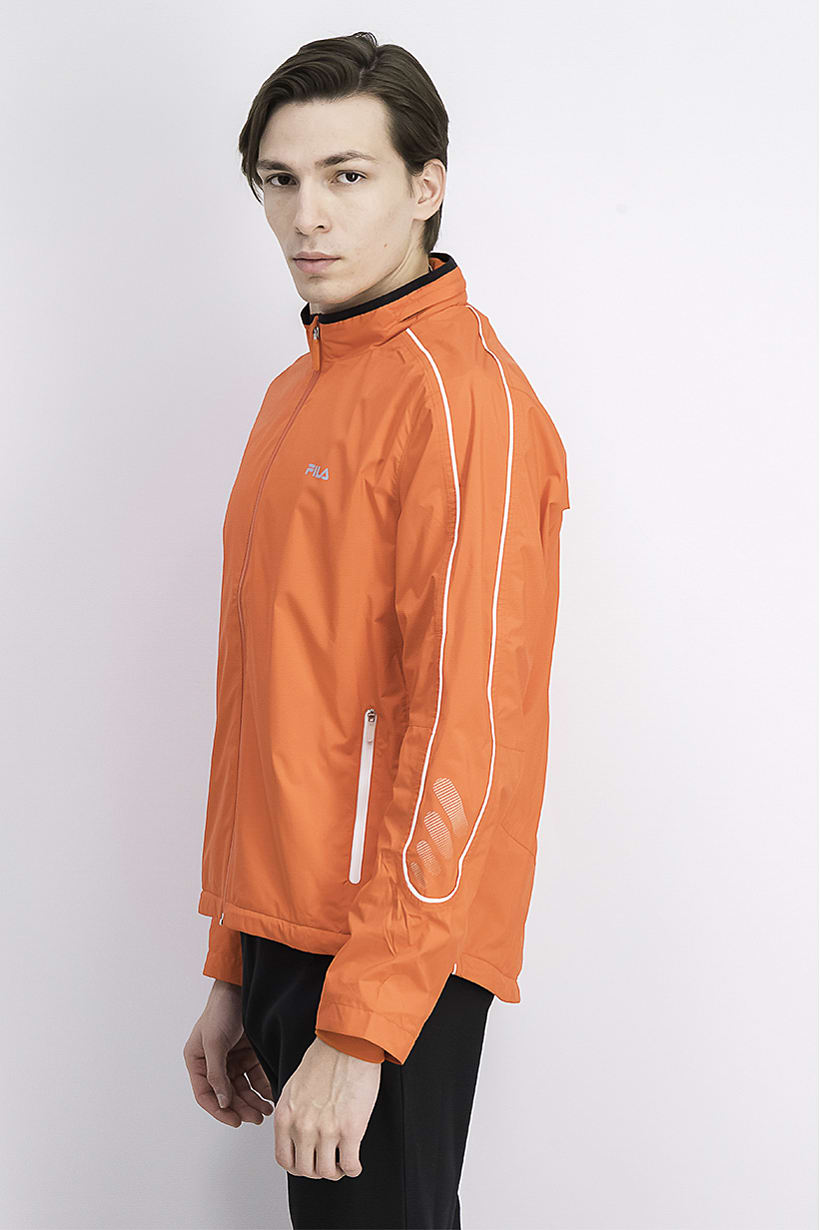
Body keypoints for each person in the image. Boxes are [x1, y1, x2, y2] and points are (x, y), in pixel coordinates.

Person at [183, 30, 570, 1230]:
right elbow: (267, 700)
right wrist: (233, 961)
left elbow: (469, 735)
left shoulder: (463, 399)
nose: (307, 215)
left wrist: (361, 1024)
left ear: (425, 184)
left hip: (391, 951)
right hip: (288, 930)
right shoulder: (297, 390)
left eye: (346, 175)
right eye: (280, 179)